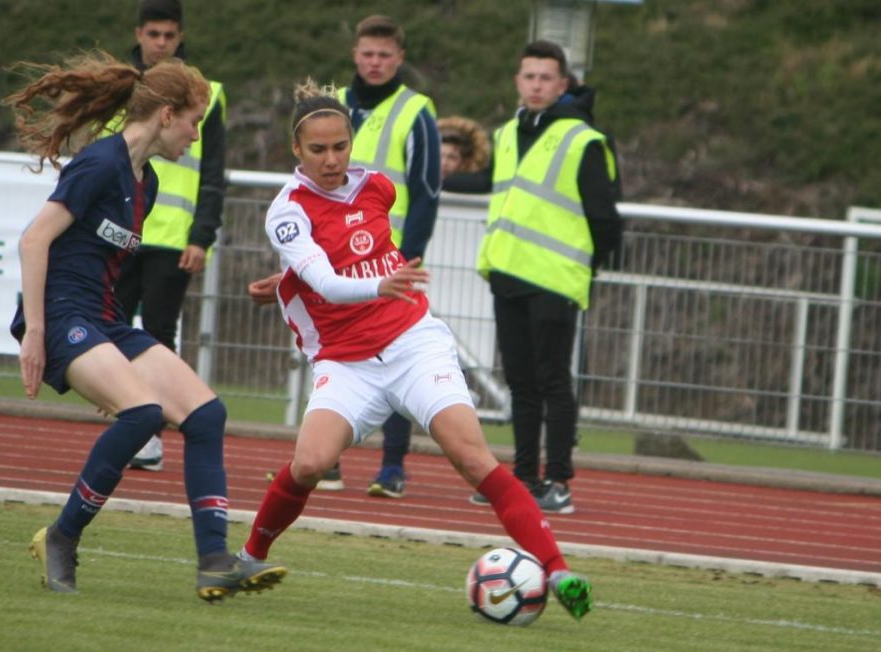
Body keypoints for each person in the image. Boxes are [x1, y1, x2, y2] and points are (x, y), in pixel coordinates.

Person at [239, 80, 592, 621]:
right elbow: (330, 282)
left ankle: (559, 569)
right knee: (309, 463)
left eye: (340, 146)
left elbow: (360, 253)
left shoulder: (378, 186)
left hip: (412, 342)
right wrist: (346, 283)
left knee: (473, 459)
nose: (331, 159)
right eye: (318, 150)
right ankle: (247, 559)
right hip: (347, 360)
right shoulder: (287, 212)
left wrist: (303, 279)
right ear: (296, 150)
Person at [4, 52, 284, 600]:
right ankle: (61, 536)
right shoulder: (100, 164)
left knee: (207, 413)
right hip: (63, 316)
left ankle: (215, 561)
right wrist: (35, 333)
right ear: (164, 115)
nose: (196, 136)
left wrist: (109, 362)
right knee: (144, 414)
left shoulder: (146, 181)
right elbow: (34, 240)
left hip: (103, 318)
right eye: (193, 121)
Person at [445, 41, 622, 514]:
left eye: (546, 78)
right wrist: (424, 175)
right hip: (507, 272)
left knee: (552, 382)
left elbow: (606, 217)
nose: (536, 85)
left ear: (563, 85)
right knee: (520, 383)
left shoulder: (582, 139)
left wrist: (588, 266)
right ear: (517, 82)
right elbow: (486, 184)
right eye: (529, 76)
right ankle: (523, 476)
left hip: (555, 279)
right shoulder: (507, 133)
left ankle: (558, 481)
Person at [96, 0, 228, 474]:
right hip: (119, 229)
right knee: (109, 327)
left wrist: (202, 235)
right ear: (139, 34)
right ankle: (129, 416)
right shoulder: (119, 86)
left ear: (180, 37)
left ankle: (149, 434)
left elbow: (213, 173)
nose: (162, 44)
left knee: (157, 332)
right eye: (154, 35)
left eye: (170, 36)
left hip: (172, 237)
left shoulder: (208, 93)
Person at [322, 14, 442, 498]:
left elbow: (427, 189)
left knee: (394, 354)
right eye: (367, 54)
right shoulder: (331, 105)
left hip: (389, 262)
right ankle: (326, 462)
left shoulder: (416, 111)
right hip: (333, 259)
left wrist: (408, 256)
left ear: (399, 59)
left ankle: (391, 468)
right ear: (355, 54)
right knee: (330, 353)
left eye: (384, 56)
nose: (374, 63)